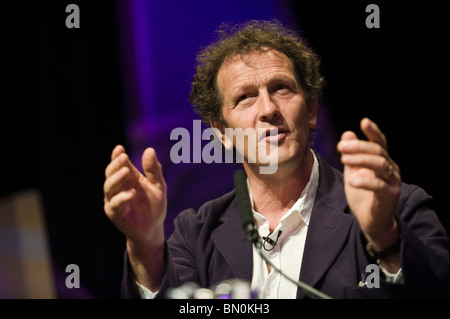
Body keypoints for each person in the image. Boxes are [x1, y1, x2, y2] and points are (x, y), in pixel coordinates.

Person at [103, 20, 449, 299]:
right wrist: (145, 243)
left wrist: (384, 237)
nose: (268, 109)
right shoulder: (195, 233)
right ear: (222, 132)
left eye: (282, 88)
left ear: (312, 109)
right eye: (245, 98)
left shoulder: (398, 207)